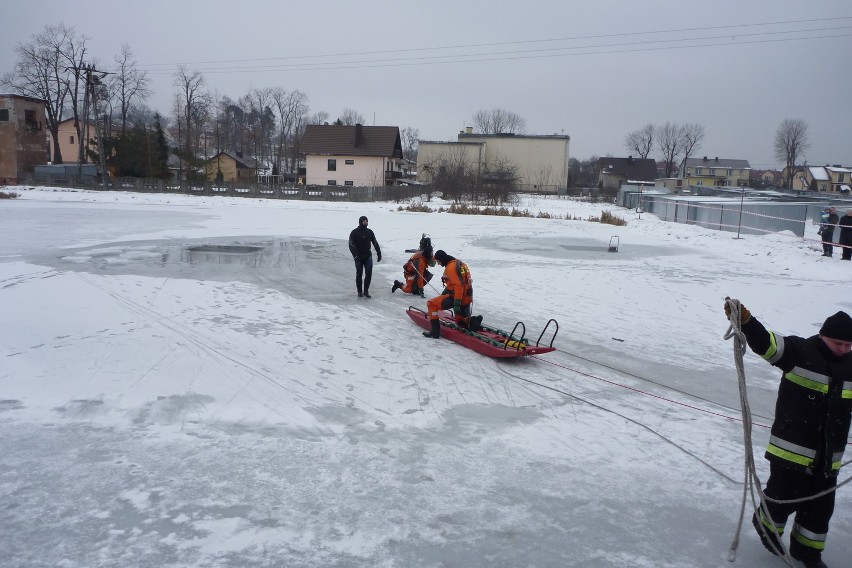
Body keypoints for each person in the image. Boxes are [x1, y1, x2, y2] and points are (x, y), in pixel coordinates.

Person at [725, 302, 852, 568]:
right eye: (838, 344)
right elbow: (767, 343)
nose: (844, 349)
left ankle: (808, 552)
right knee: (784, 496)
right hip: (791, 448)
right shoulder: (799, 351)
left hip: (829, 456)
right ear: (823, 337)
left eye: (848, 345)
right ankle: (766, 523)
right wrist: (747, 321)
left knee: (820, 507)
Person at [421, 250, 482, 339]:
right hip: (467, 297)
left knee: (431, 304)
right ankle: (473, 321)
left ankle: (435, 332)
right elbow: (456, 284)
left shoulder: (451, 268)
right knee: (459, 320)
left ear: (442, 259)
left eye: (438, 261)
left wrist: (456, 304)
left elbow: (458, 286)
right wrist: (444, 294)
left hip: (457, 297)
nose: (438, 264)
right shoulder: (460, 264)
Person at [348, 215, 381, 298]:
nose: (366, 222)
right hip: (358, 257)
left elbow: (375, 243)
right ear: (360, 222)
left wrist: (379, 253)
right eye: (364, 221)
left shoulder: (369, 232)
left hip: (368, 256)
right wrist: (355, 256)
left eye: (367, 221)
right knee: (359, 274)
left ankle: (366, 291)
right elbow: (351, 245)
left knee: (369, 274)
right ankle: (359, 292)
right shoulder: (354, 232)